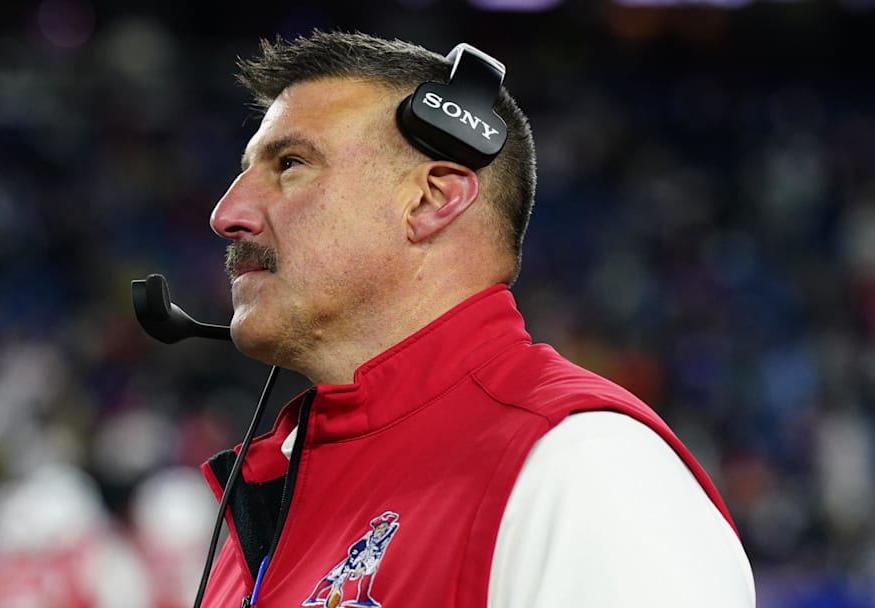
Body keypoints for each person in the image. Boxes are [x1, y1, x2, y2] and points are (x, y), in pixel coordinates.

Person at [200, 30, 755, 607]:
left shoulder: (584, 469)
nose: (227, 214)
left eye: (290, 164)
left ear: (433, 200)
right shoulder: (275, 497)